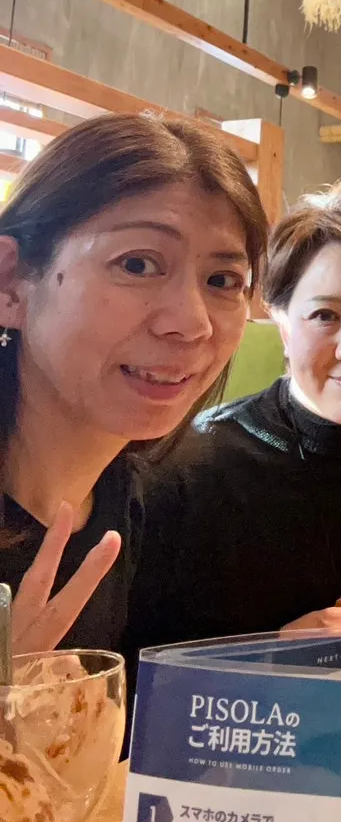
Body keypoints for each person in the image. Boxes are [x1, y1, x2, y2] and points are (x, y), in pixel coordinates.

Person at [129, 177, 341, 672]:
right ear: (283, 324)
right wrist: (273, 650)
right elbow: (133, 663)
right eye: (324, 315)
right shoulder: (185, 467)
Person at [0, 113, 268, 655]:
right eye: (138, 265)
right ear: (10, 284)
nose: (192, 323)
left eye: (222, 280)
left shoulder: (138, 498)